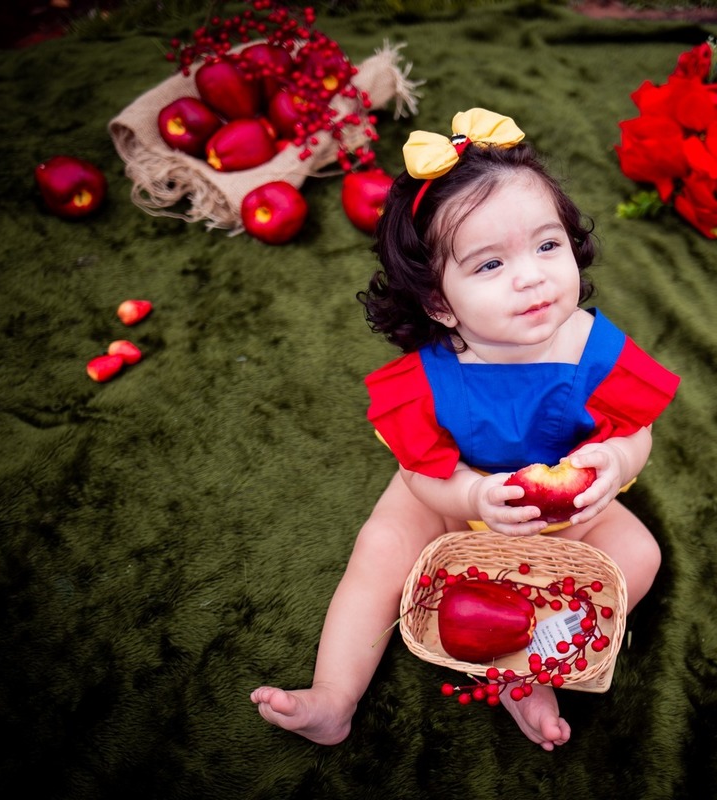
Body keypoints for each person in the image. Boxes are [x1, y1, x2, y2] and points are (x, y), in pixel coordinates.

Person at [250, 109, 680, 751]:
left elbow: (636, 427)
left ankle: (526, 663)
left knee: (640, 555)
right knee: (379, 551)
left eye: (546, 245)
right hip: (452, 496)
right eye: (488, 265)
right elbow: (422, 470)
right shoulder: (429, 377)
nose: (531, 276)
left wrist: (615, 462)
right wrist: (469, 499)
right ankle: (333, 696)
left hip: (567, 517)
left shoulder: (592, 346)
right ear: (439, 302)